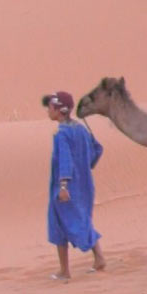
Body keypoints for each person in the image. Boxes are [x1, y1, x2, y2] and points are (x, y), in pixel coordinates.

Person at [43, 91, 105, 281]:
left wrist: (63, 186)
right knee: (82, 219)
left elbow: (65, 161)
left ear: (59, 111)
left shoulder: (62, 134)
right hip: (85, 185)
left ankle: (65, 271)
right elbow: (97, 150)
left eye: (50, 107)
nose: (48, 110)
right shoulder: (81, 130)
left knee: (60, 224)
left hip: (66, 188)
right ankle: (99, 258)